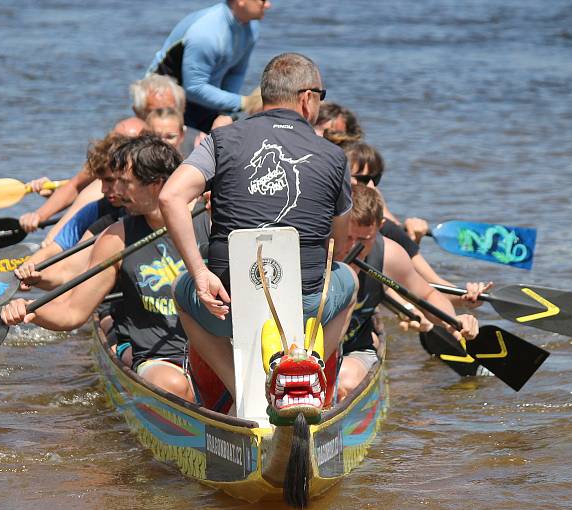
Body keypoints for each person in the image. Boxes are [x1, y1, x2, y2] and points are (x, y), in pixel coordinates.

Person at [159, 52, 357, 397]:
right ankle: (306, 364)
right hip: (305, 301)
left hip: (229, 304)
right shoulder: (334, 156)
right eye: (321, 98)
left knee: (181, 289)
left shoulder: (220, 142)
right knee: (349, 280)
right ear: (307, 98)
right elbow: (337, 248)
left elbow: (170, 197)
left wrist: (200, 275)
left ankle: (245, 390)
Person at [2, 135, 210, 401]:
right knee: (173, 384)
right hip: (159, 360)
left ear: (157, 185)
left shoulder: (210, 218)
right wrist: (30, 312)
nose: (116, 193)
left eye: (125, 183)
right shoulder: (116, 238)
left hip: (213, 353)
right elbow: (73, 311)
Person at [338, 185, 480, 400]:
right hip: (309, 348)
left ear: (379, 227)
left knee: (344, 381)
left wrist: (453, 322)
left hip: (353, 349)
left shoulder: (389, 255)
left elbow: (428, 296)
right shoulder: (319, 251)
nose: (352, 248)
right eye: (348, 237)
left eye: (363, 240)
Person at [341, 140, 493, 308]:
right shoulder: (318, 224)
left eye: (374, 179)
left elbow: (431, 286)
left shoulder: (388, 229)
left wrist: (467, 297)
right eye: (361, 179)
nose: (369, 185)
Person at [148, 0, 270, 133]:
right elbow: (194, 88)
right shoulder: (206, 33)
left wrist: (227, 110)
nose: (268, 5)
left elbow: (236, 71)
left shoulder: (252, 27)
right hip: (164, 99)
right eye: (262, 1)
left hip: (205, 97)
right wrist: (243, 103)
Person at [18, 118, 144, 233]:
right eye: (114, 139)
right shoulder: (105, 161)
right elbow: (75, 186)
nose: (116, 147)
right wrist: (39, 216)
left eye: (125, 143)